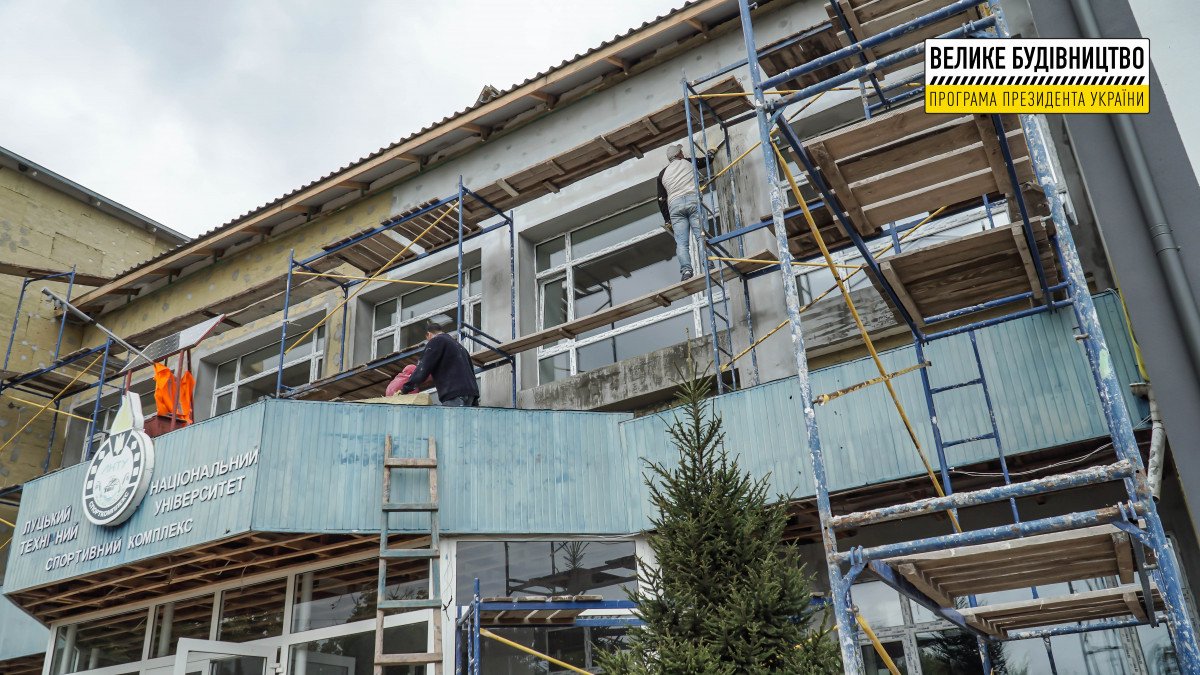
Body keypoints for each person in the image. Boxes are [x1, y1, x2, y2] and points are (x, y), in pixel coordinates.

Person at [656, 144, 712, 281]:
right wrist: (710, 154)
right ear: (678, 155)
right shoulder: (687, 162)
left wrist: (667, 219)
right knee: (701, 236)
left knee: (681, 243)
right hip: (692, 201)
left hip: (675, 207)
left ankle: (686, 271)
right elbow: (705, 161)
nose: (683, 153)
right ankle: (708, 264)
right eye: (681, 152)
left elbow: (661, 199)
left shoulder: (662, 174)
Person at [401, 315, 480, 406]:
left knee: (451, 415)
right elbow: (471, 373)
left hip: (454, 393)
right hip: (471, 394)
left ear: (428, 334)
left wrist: (406, 389)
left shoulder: (436, 341)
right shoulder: (460, 347)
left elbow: (423, 368)